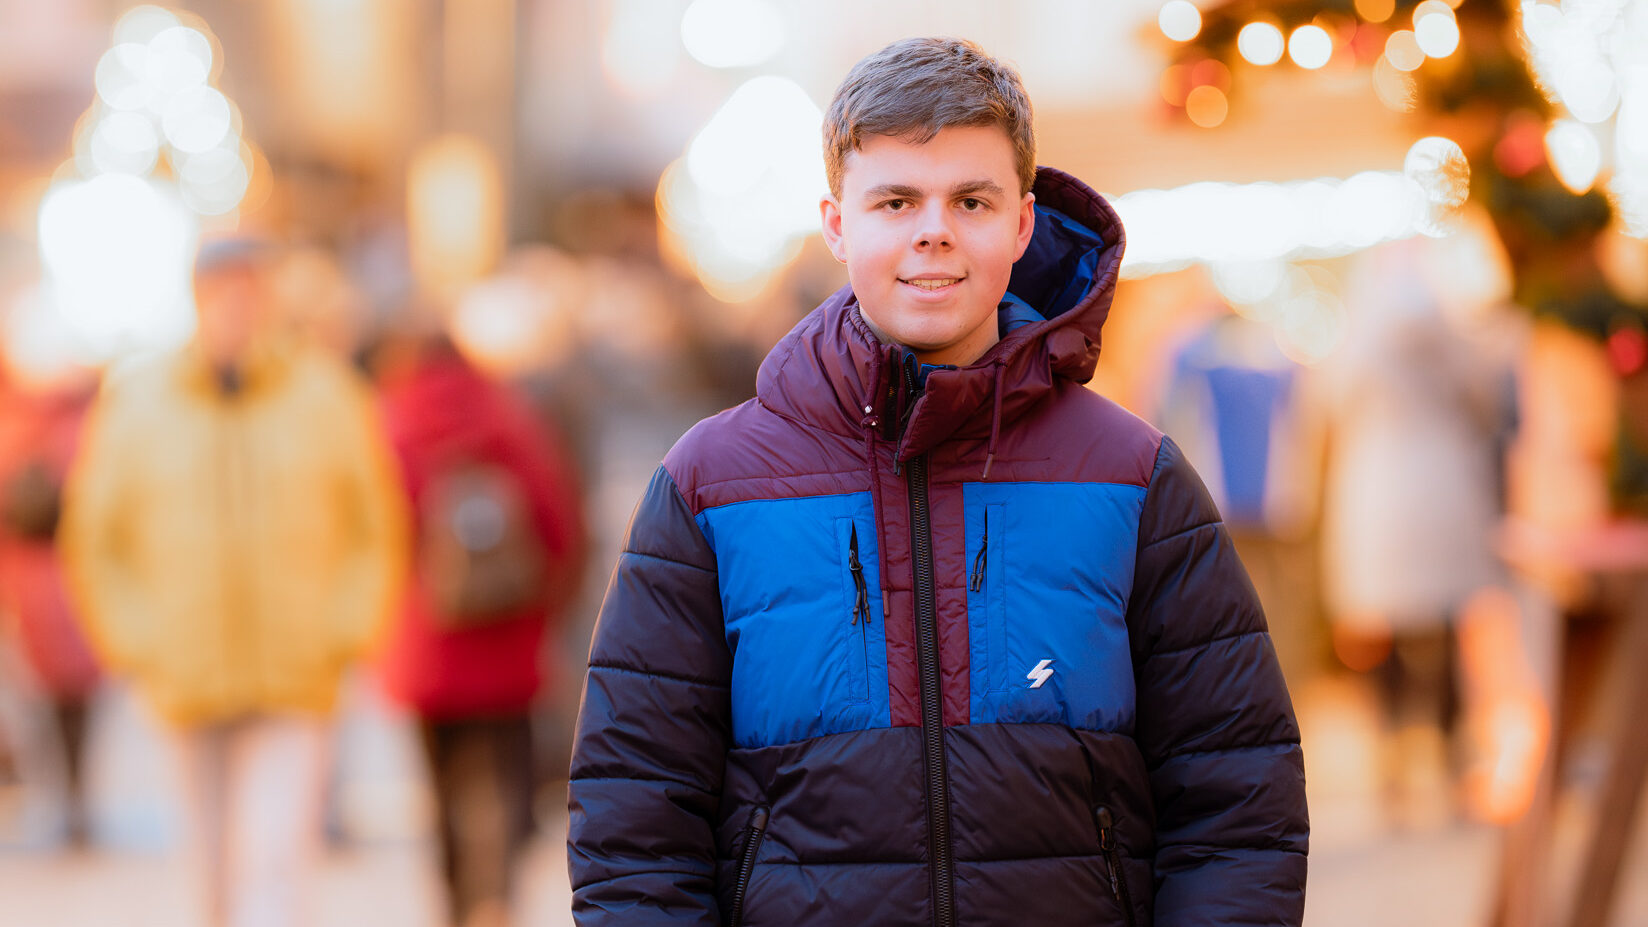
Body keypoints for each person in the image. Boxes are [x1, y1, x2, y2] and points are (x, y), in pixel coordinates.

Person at [567, 37, 1308, 927]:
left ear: (1023, 224)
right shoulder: (709, 487)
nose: (934, 229)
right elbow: (633, 828)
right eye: (895, 200)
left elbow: (1237, 804)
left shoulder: (1133, 479)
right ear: (837, 222)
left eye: (971, 200)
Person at [60, 238, 407, 927]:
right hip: (185, 671)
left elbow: (377, 524)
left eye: (250, 289)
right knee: (208, 874)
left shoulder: (325, 393)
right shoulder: (141, 401)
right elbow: (97, 537)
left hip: (296, 671)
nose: (237, 307)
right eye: (222, 291)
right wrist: (136, 639)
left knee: (275, 865)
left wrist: (345, 629)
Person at [370, 326, 587, 927]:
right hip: (509, 642)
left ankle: (458, 904)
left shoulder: (392, 425)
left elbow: (375, 538)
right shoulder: (510, 418)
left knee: (442, 792)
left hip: (426, 647)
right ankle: (493, 901)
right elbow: (558, 524)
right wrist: (551, 609)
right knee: (502, 785)